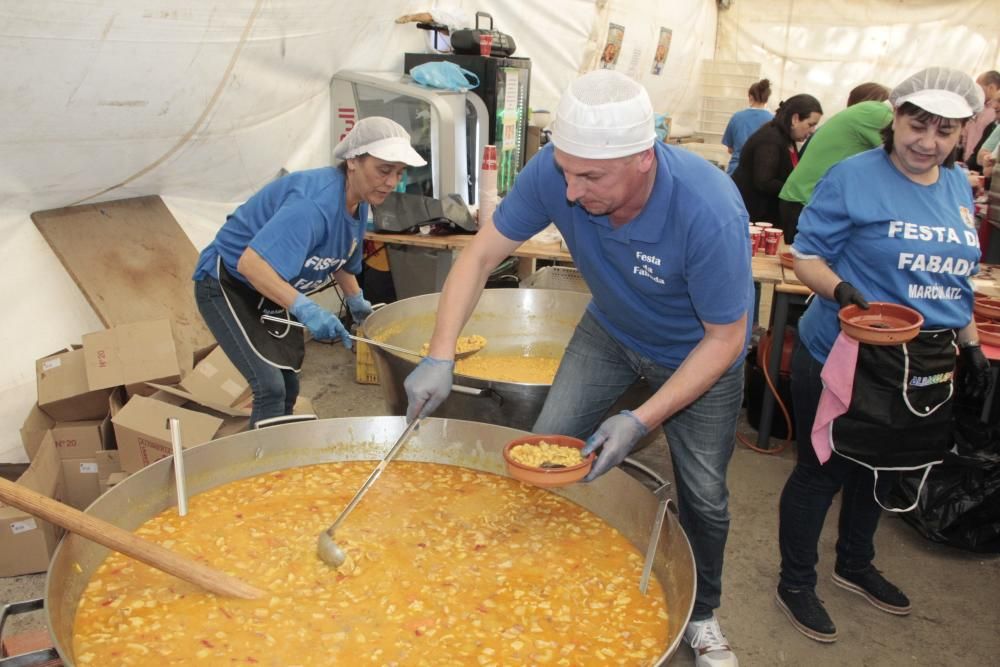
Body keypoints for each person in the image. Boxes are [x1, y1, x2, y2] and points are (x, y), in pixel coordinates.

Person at [404, 69, 752, 667]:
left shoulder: (708, 208)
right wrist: (439, 353)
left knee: (705, 493)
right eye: (565, 170)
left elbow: (725, 340)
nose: (569, 192)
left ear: (645, 157)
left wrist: (640, 421)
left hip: (696, 356)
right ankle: (530, 573)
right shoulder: (560, 171)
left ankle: (703, 613)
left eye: (591, 177)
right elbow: (482, 253)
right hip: (612, 331)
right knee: (545, 446)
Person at [775, 67, 991, 643]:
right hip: (846, 353)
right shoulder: (853, 176)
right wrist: (842, 292)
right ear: (893, 118)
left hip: (921, 362)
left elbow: (950, 278)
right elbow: (808, 257)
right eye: (917, 124)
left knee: (882, 465)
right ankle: (796, 581)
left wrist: (970, 347)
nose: (928, 141)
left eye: (945, 131)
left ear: (964, 133)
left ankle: (854, 563)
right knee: (822, 471)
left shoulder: (954, 186)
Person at [192, 117, 425, 426]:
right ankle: (262, 471)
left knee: (288, 384)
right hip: (228, 283)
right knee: (270, 388)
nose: (391, 182)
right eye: (384, 170)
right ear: (353, 161)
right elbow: (251, 264)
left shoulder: (361, 200)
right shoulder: (313, 205)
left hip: (270, 287)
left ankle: (279, 464)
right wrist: (306, 308)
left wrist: (356, 300)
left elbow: (338, 257)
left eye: (399, 173)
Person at [777, 82, 891, 243]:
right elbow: (900, 157)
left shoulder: (865, 112)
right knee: (806, 261)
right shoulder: (877, 113)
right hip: (808, 200)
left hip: (804, 198)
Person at [731, 93, 823, 224]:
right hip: (755, 216)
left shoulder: (787, 138)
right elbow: (764, 182)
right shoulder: (770, 140)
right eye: (810, 124)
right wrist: (797, 190)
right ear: (795, 119)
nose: (813, 130)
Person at [722, 79, 774, 175]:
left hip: (736, 171)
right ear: (767, 99)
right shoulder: (773, 120)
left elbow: (730, 149)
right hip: (761, 174)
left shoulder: (737, 117)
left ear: (750, 97)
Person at [960, 70, 1000, 173]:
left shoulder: (993, 115)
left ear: (991, 88)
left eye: (979, 87)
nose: (995, 106)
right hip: (971, 167)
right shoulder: (976, 108)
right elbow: (980, 154)